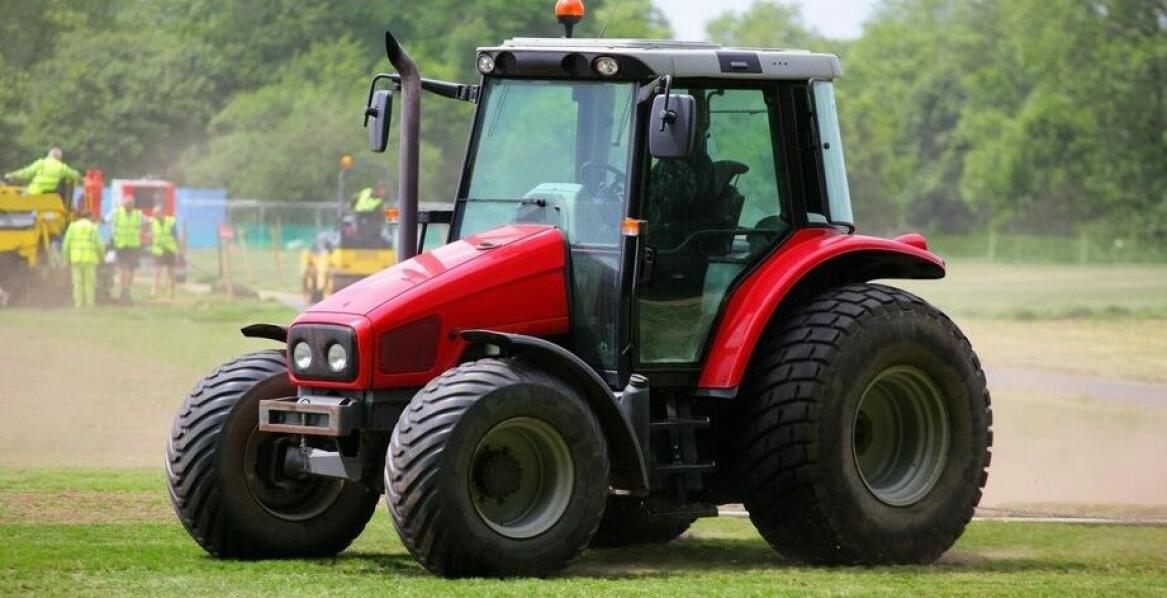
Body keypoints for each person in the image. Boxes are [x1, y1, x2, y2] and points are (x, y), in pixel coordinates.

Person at [61, 207, 103, 308]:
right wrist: (102, 257)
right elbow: (99, 245)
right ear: (89, 217)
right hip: (90, 259)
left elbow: (66, 245)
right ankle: (90, 304)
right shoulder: (93, 227)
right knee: (89, 283)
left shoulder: (73, 227)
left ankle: (78, 304)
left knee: (77, 283)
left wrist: (66, 259)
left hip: (76, 259)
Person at [3, 147, 82, 196]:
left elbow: (26, 173)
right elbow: (75, 175)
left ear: (49, 155)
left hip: (34, 193)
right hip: (49, 195)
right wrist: (82, 178)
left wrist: (12, 175)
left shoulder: (41, 163)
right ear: (60, 157)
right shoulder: (62, 167)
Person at [109, 194, 143, 303]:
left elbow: (149, 222)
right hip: (121, 245)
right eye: (126, 204)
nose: (128, 206)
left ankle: (127, 290)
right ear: (123, 204)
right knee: (122, 268)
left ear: (133, 205)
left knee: (131, 270)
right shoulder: (117, 213)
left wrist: (144, 231)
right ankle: (123, 290)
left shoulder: (138, 214)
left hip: (133, 246)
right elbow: (106, 219)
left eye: (130, 204)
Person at [150, 202, 179, 300]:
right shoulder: (153, 222)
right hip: (158, 250)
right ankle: (154, 291)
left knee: (171, 272)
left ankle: (172, 291)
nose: (154, 215)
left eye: (156, 213)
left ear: (162, 213)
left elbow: (175, 236)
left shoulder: (171, 222)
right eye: (154, 214)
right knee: (156, 272)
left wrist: (178, 249)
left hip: (170, 250)